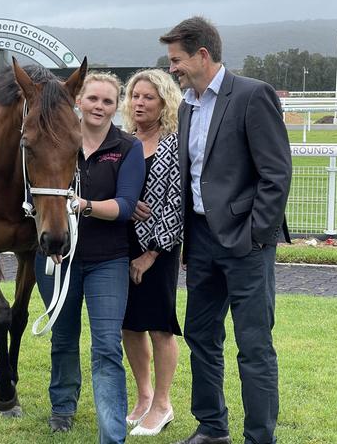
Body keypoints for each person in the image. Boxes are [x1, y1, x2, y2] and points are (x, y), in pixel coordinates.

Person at [159, 17, 292, 444]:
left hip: (246, 244)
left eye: (177, 60)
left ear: (202, 54)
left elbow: (276, 174)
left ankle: (259, 437)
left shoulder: (253, 95)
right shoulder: (185, 105)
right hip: (199, 241)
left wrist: (256, 234)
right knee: (201, 335)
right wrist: (184, 237)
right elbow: (191, 174)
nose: (173, 68)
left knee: (253, 346)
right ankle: (213, 428)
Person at [35, 71, 145, 443]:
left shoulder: (127, 149)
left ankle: (111, 434)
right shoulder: (54, 140)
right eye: (92, 99)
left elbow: (127, 206)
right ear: (78, 101)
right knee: (63, 337)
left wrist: (85, 206)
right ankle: (62, 406)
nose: (99, 106)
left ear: (116, 107)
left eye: (107, 101)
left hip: (107, 261)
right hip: (58, 258)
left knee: (106, 346)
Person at [120, 69, 183, 437]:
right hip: (122, 244)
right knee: (129, 323)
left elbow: (177, 202)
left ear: (164, 102)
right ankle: (143, 397)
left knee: (160, 325)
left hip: (160, 247)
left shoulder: (174, 144)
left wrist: (152, 253)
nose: (139, 103)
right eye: (135, 96)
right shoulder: (126, 142)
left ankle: (162, 403)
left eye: (148, 97)